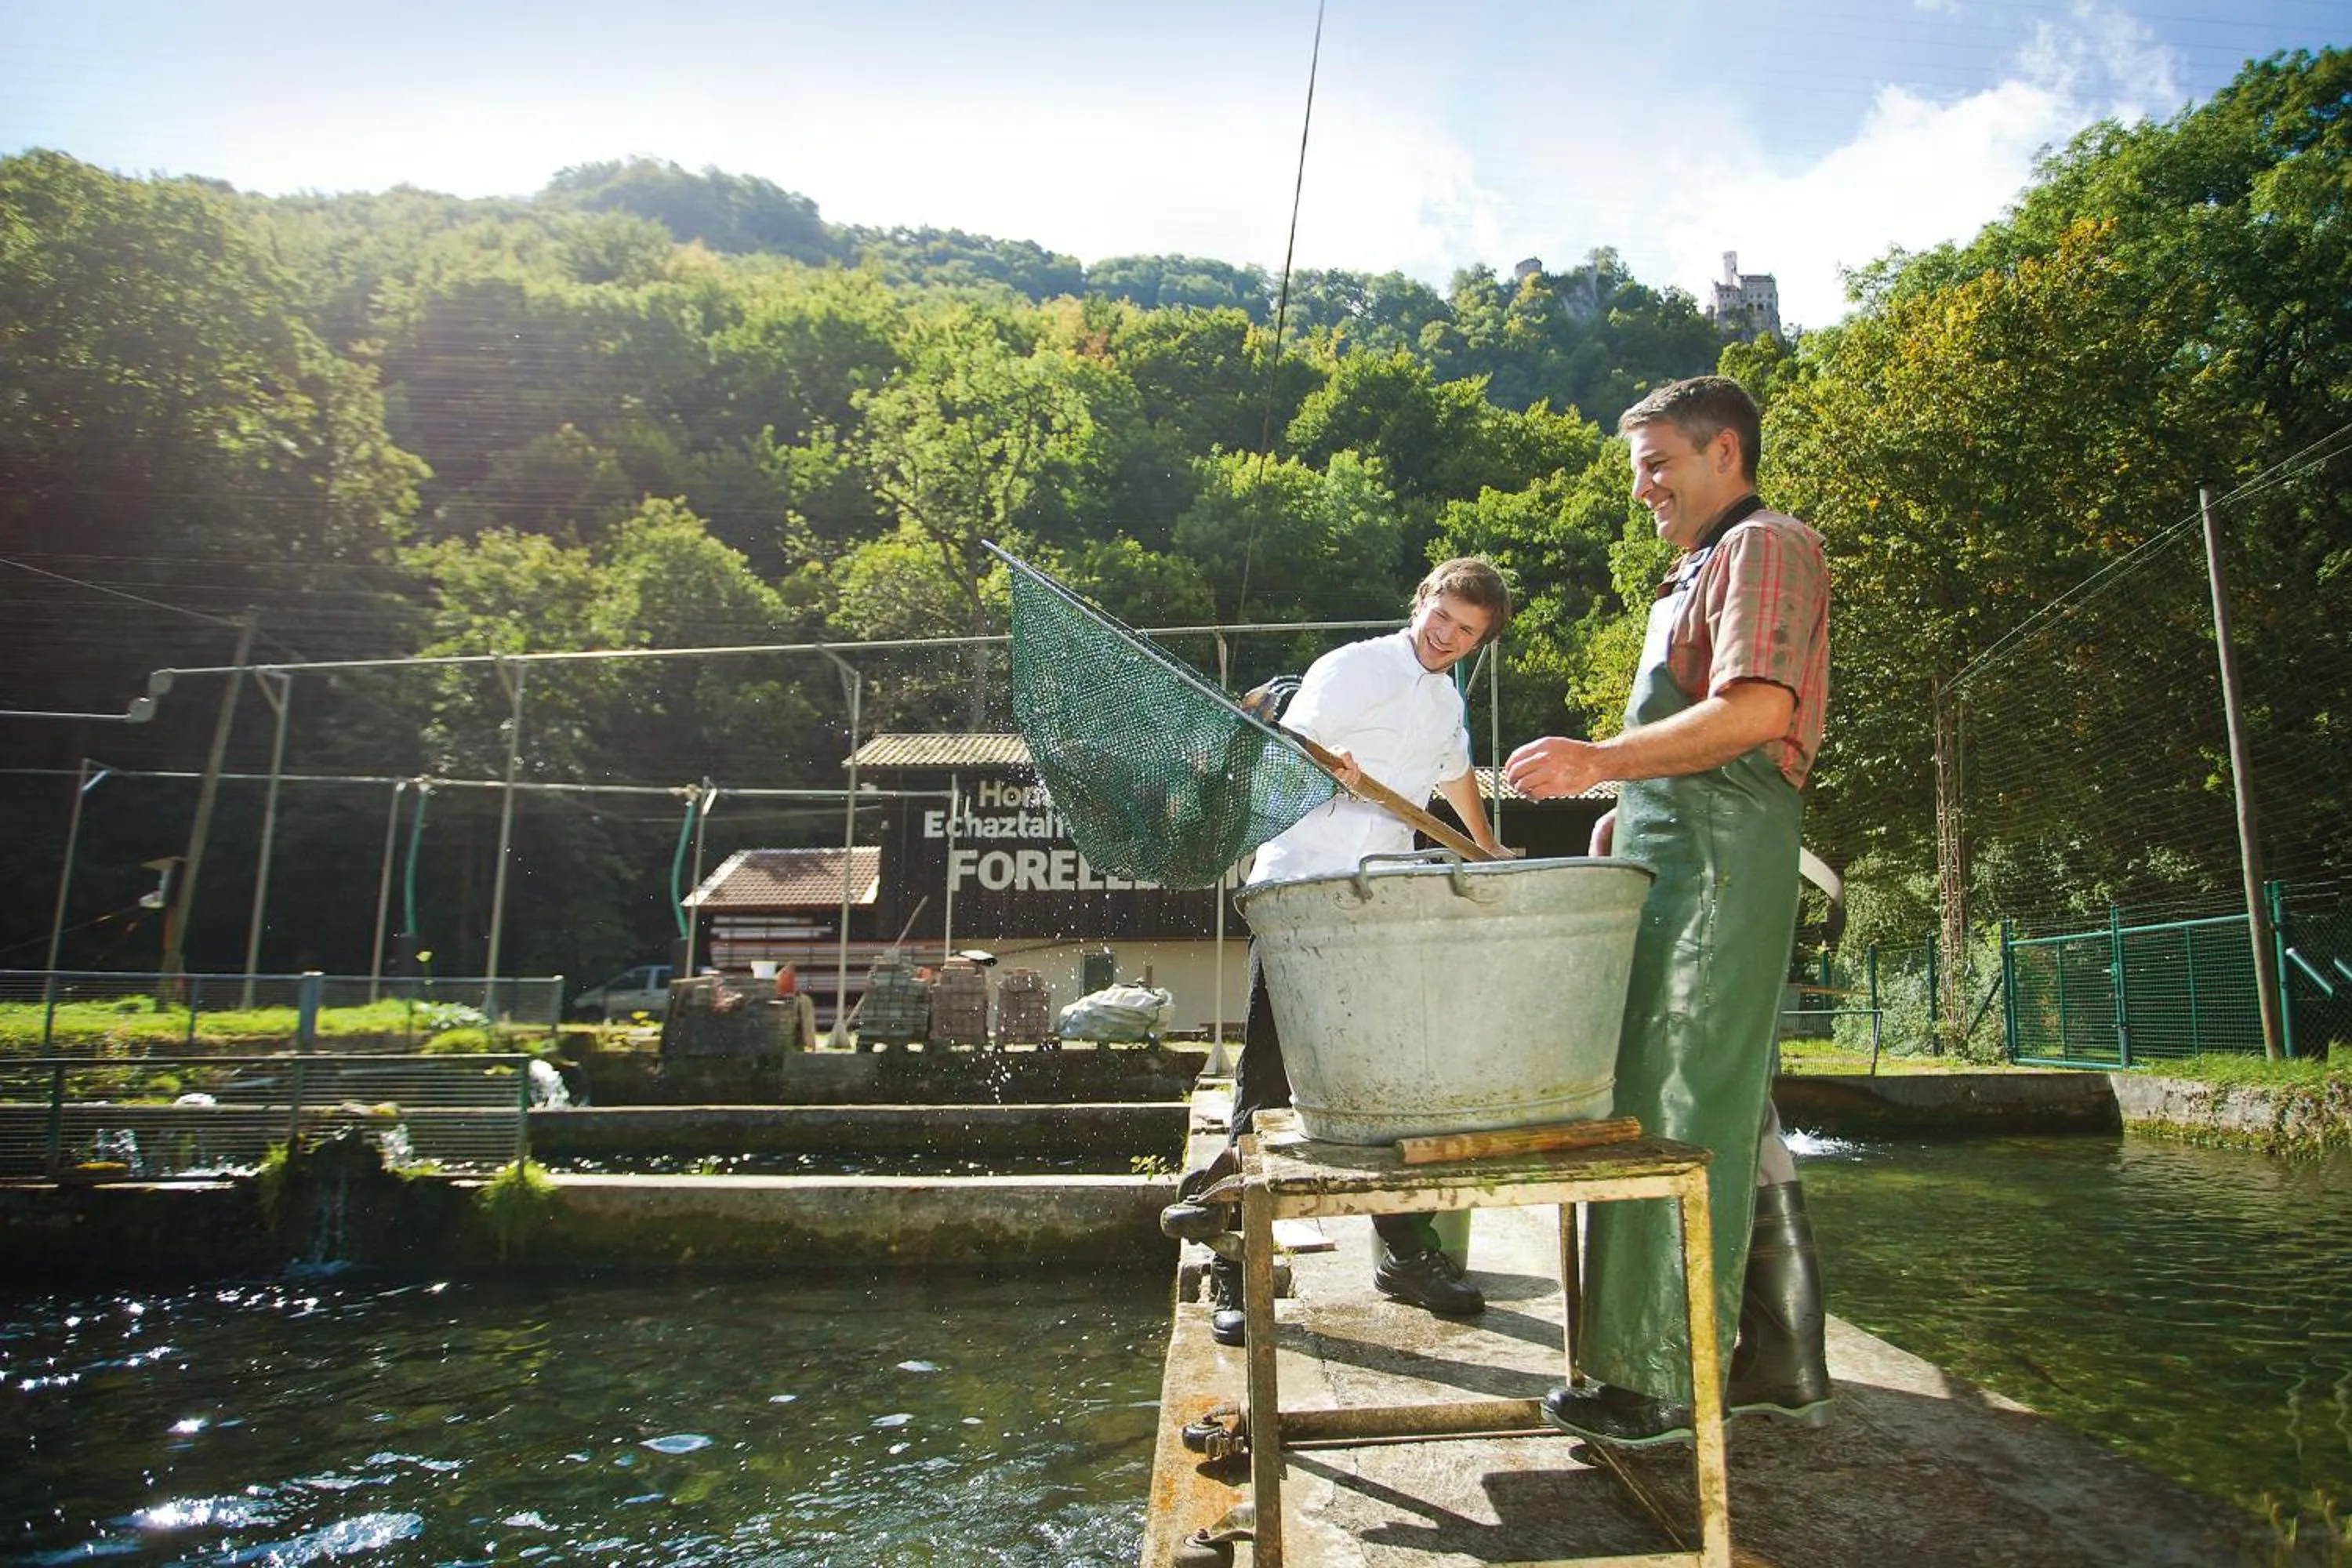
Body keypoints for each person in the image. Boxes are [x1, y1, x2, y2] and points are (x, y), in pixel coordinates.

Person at [1504, 376, 1831, 1446]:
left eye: (1659, 463)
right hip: (1672, 849)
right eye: (1636, 466)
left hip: (1725, 857)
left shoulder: (1767, 546)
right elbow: (1689, 730)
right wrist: (1626, 808)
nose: (1642, 486)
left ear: (1724, 452)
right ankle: (1781, 1360)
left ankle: (1659, 1379)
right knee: (1712, 1097)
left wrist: (1600, 761)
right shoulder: (1687, 570)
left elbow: (1754, 713)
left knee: (1678, 1099)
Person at [1203, 557, 1515, 1347]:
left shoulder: (1444, 698)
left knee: (1391, 1082)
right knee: (1270, 1077)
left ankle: (1406, 1253)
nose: (1445, 636)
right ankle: (1235, 1265)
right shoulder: (1349, 667)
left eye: (1465, 631)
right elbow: (1283, 749)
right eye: (1440, 616)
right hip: (1299, 893)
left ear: (1479, 640)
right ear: (1421, 602)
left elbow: (1453, 774)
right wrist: (1330, 770)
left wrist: (1484, 846)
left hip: (1376, 904)